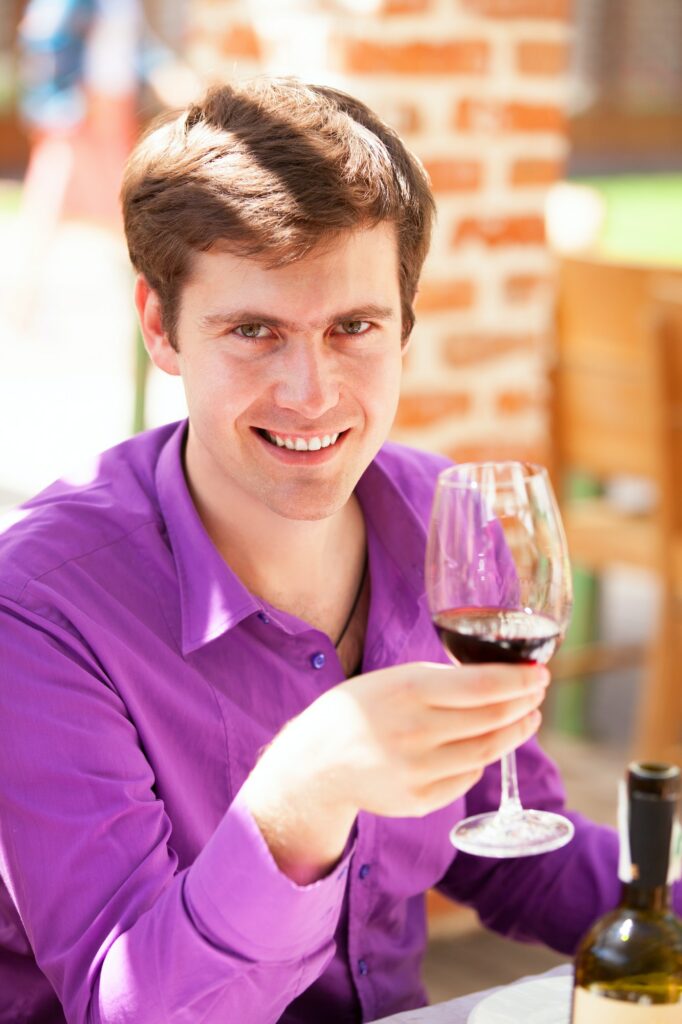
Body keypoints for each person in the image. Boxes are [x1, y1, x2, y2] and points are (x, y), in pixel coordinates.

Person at [0, 78, 675, 1024]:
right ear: (162, 327)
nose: (310, 393)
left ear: (405, 325)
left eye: (353, 328)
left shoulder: (447, 521)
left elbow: (511, 853)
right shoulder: (40, 607)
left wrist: (664, 910)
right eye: (253, 332)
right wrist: (301, 796)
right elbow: (130, 1007)